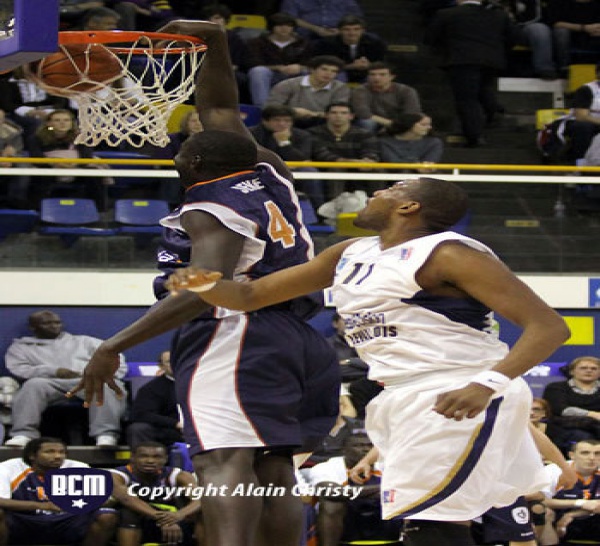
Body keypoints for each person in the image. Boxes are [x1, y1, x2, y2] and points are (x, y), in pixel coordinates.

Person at [165, 175, 571, 546]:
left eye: (391, 189)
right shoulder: (350, 253)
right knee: (430, 521)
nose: (376, 192)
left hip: (457, 387)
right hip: (402, 394)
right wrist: (201, 283)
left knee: (432, 524)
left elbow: (549, 327)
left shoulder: (448, 253)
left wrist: (486, 385)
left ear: (409, 207)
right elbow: (251, 297)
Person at [69, 20, 340, 546]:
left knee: (223, 461)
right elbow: (219, 112)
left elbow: (202, 288)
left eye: (185, 143)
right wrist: (213, 40)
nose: (180, 144)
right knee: (273, 469)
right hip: (300, 337)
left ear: (192, 162)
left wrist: (113, 345)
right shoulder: (266, 168)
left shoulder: (208, 206)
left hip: (235, 334)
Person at [4, 310, 127, 448]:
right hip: (49, 382)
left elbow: (113, 357)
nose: (54, 326)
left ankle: (106, 435)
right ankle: (23, 434)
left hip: (86, 380)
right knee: (32, 385)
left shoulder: (85, 342)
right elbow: (19, 368)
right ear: (33, 327)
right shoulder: (21, 347)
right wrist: (54, 371)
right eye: (47, 323)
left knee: (105, 385)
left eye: (57, 322)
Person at [425, 0, 520, 147]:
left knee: (467, 99)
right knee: (483, 88)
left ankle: (475, 135)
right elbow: (514, 38)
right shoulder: (499, 15)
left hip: (461, 60)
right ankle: (494, 112)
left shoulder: (446, 14)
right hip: (492, 61)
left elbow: (431, 38)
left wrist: (445, 50)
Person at [0, 437, 118, 546]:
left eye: (62, 452)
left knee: (107, 515)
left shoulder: (77, 467)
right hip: (25, 519)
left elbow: (104, 500)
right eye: (49, 452)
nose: (58, 456)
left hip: (66, 520)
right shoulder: (10, 467)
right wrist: (45, 506)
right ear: (32, 455)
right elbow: (1, 501)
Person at [111, 441, 202, 546]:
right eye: (143, 456)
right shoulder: (118, 475)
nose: (150, 461)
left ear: (166, 459)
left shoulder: (178, 475)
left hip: (173, 521)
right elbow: (126, 498)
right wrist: (162, 518)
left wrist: (178, 515)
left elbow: (199, 499)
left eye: (157, 457)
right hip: (133, 523)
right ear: (132, 458)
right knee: (128, 513)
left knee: (203, 514)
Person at [248, 104, 326, 207]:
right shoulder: (251, 133)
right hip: (261, 169)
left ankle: (320, 212)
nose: (282, 124)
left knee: (310, 171)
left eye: (287, 121)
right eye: (277, 120)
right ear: (265, 121)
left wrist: (284, 142)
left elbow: (301, 158)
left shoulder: (302, 135)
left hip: (292, 170)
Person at [246, 12, 314, 108]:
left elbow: (312, 62)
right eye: (280, 25)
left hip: (294, 75)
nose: (284, 28)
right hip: (270, 75)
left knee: (308, 72)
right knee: (258, 71)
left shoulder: (303, 43)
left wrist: (300, 67)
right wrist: (278, 68)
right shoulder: (257, 42)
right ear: (271, 27)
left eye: (288, 25)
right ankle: (263, 108)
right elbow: (252, 63)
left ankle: (303, 107)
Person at [266, 55, 350, 129]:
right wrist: (291, 111)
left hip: (323, 123)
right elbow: (271, 108)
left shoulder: (340, 88)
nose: (328, 74)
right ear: (312, 70)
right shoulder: (288, 84)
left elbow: (340, 111)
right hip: (290, 121)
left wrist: (312, 114)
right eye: (324, 69)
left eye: (334, 71)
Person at [542, 439, 600, 544]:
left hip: (589, 517)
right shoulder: (554, 471)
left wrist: (572, 515)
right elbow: (540, 500)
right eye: (585, 453)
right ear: (572, 455)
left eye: (597, 454)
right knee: (543, 511)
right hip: (556, 516)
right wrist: (580, 503)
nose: (592, 458)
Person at [127, 351, 183, 448]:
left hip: (203, 427)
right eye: (169, 361)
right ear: (161, 366)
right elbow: (141, 414)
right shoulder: (151, 388)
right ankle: (146, 460)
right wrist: (175, 423)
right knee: (138, 429)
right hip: (171, 431)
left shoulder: (201, 382)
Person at [542, 355, 600, 448]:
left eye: (594, 368)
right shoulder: (556, 388)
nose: (589, 371)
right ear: (572, 371)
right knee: (585, 440)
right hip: (565, 427)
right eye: (583, 368)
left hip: (597, 426)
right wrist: (592, 414)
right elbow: (561, 409)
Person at [351, 62, 422, 133]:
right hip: (375, 121)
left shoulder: (406, 91)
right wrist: (391, 124)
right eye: (372, 74)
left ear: (392, 77)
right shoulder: (360, 90)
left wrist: (398, 125)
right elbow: (363, 113)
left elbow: (412, 112)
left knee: (418, 122)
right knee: (366, 122)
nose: (376, 78)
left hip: (399, 122)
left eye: (382, 75)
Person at [313, 15, 387, 84]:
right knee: (338, 75)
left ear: (363, 31)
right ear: (339, 31)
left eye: (356, 29)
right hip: (339, 73)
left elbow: (383, 64)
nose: (352, 33)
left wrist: (369, 65)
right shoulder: (327, 44)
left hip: (365, 73)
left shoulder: (375, 43)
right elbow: (321, 66)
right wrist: (351, 66)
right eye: (346, 29)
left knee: (377, 75)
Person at [378, 113, 444, 168]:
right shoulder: (385, 142)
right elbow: (392, 161)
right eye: (423, 124)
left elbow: (430, 161)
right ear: (409, 124)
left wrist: (425, 167)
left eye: (429, 125)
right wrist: (415, 164)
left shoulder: (434, 142)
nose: (429, 127)